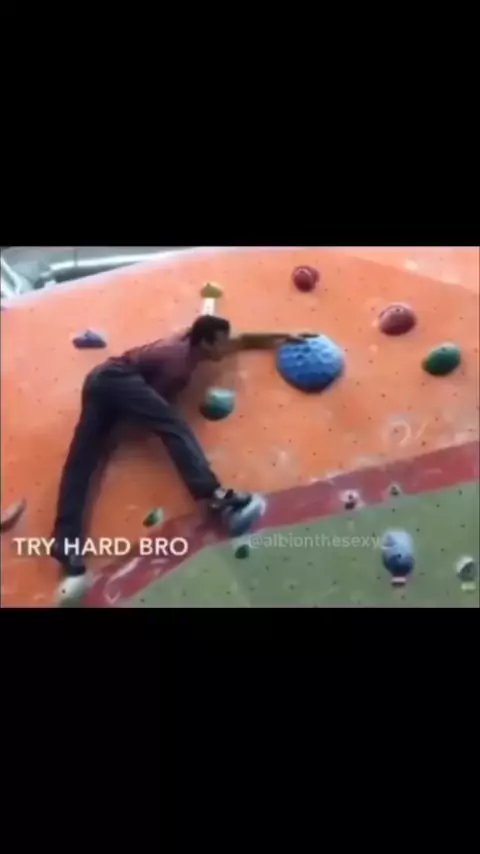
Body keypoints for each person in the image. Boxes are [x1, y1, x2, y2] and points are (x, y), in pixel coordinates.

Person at [51, 315, 314, 579]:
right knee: (172, 425)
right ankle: (214, 494)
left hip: (99, 380)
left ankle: (65, 542)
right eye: (221, 344)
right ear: (206, 344)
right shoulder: (177, 367)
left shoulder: (192, 339)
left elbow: (243, 340)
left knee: (81, 462)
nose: (226, 348)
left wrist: (285, 336)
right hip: (117, 381)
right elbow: (150, 410)